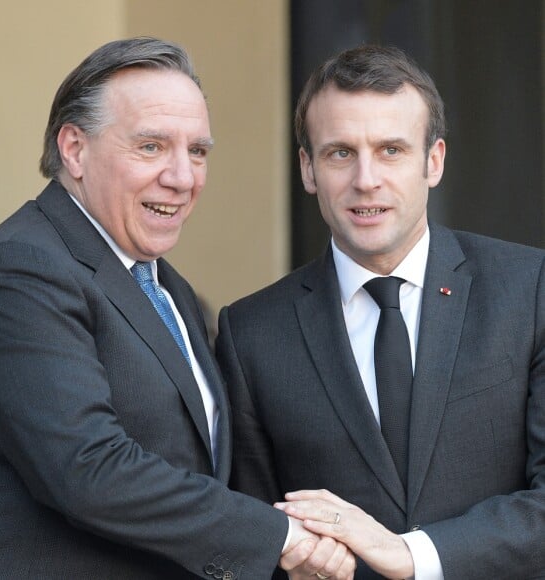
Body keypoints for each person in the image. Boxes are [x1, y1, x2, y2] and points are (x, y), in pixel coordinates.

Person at [0, 37, 356, 580]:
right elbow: (89, 468)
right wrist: (283, 537)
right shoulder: (20, 268)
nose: (182, 177)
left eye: (197, 151)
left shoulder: (165, 287)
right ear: (74, 149)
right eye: (151, 146)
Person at [216, 44, 545, 579]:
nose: (366, 179)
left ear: (433, 161)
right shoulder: (250, 333)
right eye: (340, 152)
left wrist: (411, 555)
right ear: (308, 168)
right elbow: (253, 531)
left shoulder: (530, 290)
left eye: (391, 150)